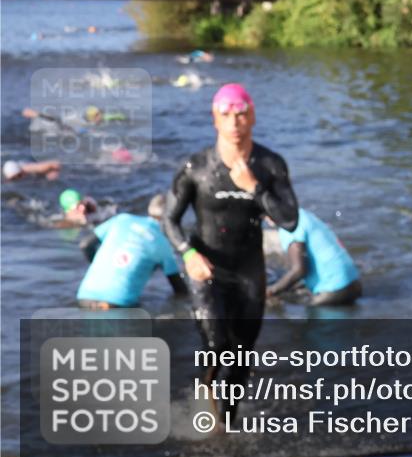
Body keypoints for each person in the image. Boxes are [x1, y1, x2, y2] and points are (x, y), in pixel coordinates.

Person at [163, 83, 298, 421]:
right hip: (206, 270)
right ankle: (205, 397)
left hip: (249, 272)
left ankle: (225, 426)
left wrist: (254, 187)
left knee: (240, 357)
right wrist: (188, 254)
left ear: (252, 115)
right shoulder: (196, 168)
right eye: (227, 115)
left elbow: (290, 220)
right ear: (215, 119)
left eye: (241, 114)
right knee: (218, 347)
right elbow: (169, 219)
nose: (235, 123)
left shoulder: (269, 165)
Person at [76, 194, 188, 309]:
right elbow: (179, 289)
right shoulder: (163, 243)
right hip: (118, 303)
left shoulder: (121, 219)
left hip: (84, 296)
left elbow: (85, 245)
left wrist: (98, 265)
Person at [267, 208, 361, 306]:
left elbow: (299, 271)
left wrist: (271, 291)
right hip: (354, 283)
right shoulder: (301, 214)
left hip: (333, 291)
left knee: (274, 298)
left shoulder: (289, 226)